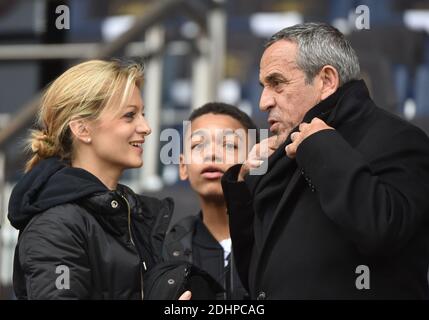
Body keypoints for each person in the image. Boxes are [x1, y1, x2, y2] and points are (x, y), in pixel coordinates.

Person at [221, 22, 429, 299]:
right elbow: (257, 279)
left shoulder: (400, 139)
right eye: (263, 86)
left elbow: (381, 229)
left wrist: (322, 147)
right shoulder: (279, 156)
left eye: (277, 83)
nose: (263, 101)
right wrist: (243, 185)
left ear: (327, 81)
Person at [7, 59, 191, 300]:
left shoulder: (127, 213)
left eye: (142, 114)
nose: (146, 127)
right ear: (82, 129)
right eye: (129, 116)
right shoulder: (56, 225)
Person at [163, 102, 258, 299]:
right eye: (198, 145)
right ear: (182, 166)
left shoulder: (276, 242)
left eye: (230, 145)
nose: (212, 154)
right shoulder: (164, 252)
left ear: (255, 161)